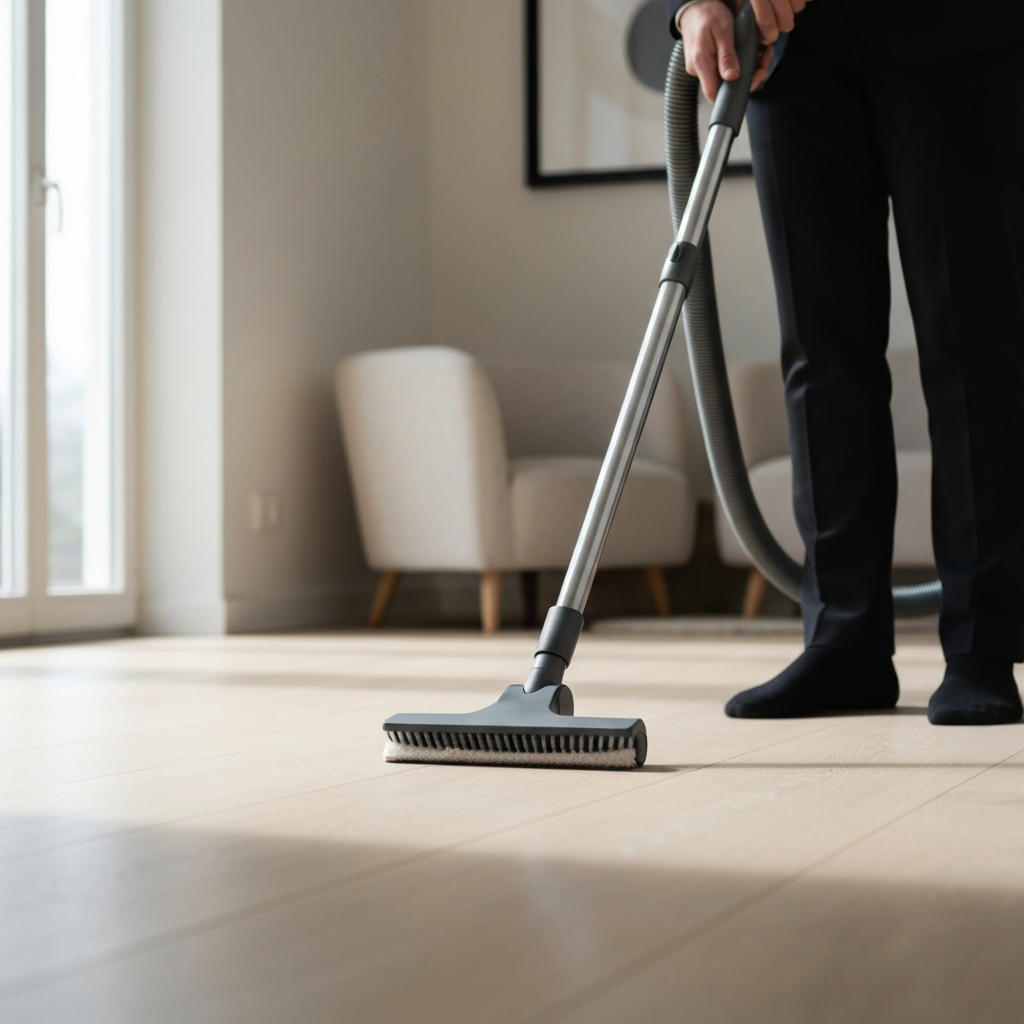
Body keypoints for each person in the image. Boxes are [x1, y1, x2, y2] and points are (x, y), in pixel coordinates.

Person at [667, 0, 1024, 724]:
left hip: (958, 35)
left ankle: (983, 648)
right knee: (820, 351)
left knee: (970, 341)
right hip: (793, 52)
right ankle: (844, 643)